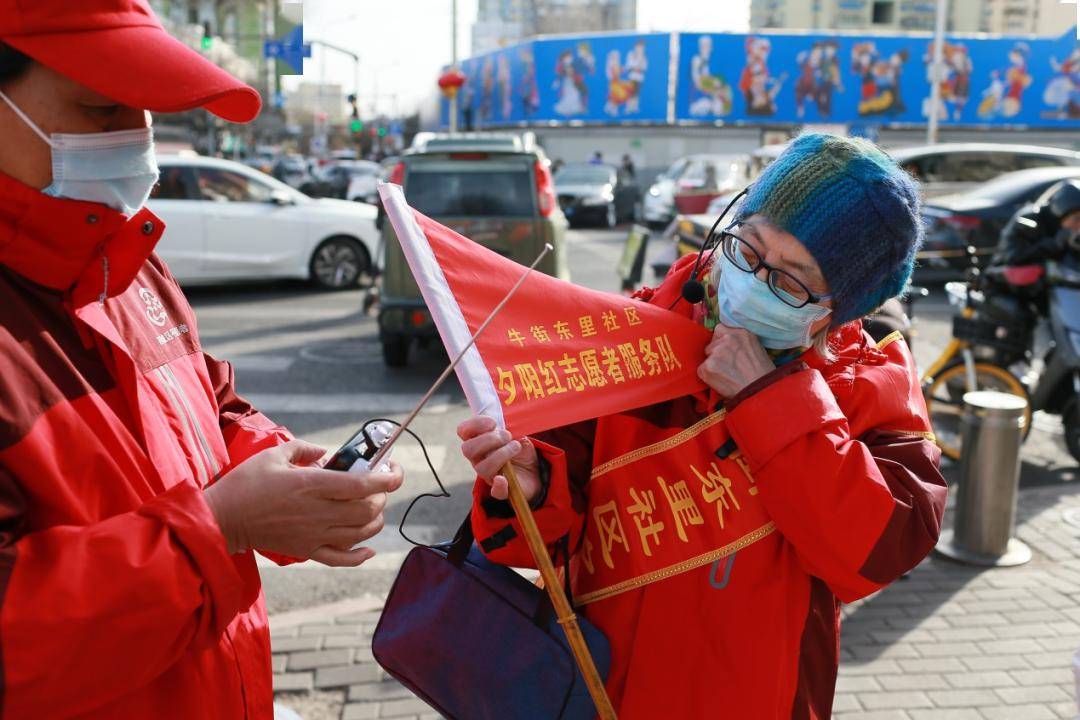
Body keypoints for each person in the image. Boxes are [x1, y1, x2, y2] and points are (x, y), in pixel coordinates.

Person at [0, 2, 402, 717]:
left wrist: (290, 476)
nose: (135, 139)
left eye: (148, 112)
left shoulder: (120, 259)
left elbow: (209, 407)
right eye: (100, 108)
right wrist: (220, 532)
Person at [457, 133, 946, 718]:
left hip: (757, 696)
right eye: (748, 247)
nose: (752, 280)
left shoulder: (868, 381)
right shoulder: (627, 337)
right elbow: (539, 539)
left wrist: (767, 398)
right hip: (597, 688)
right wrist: (532, 485)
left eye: (791, 279)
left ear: (840, 307)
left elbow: (879, 553)